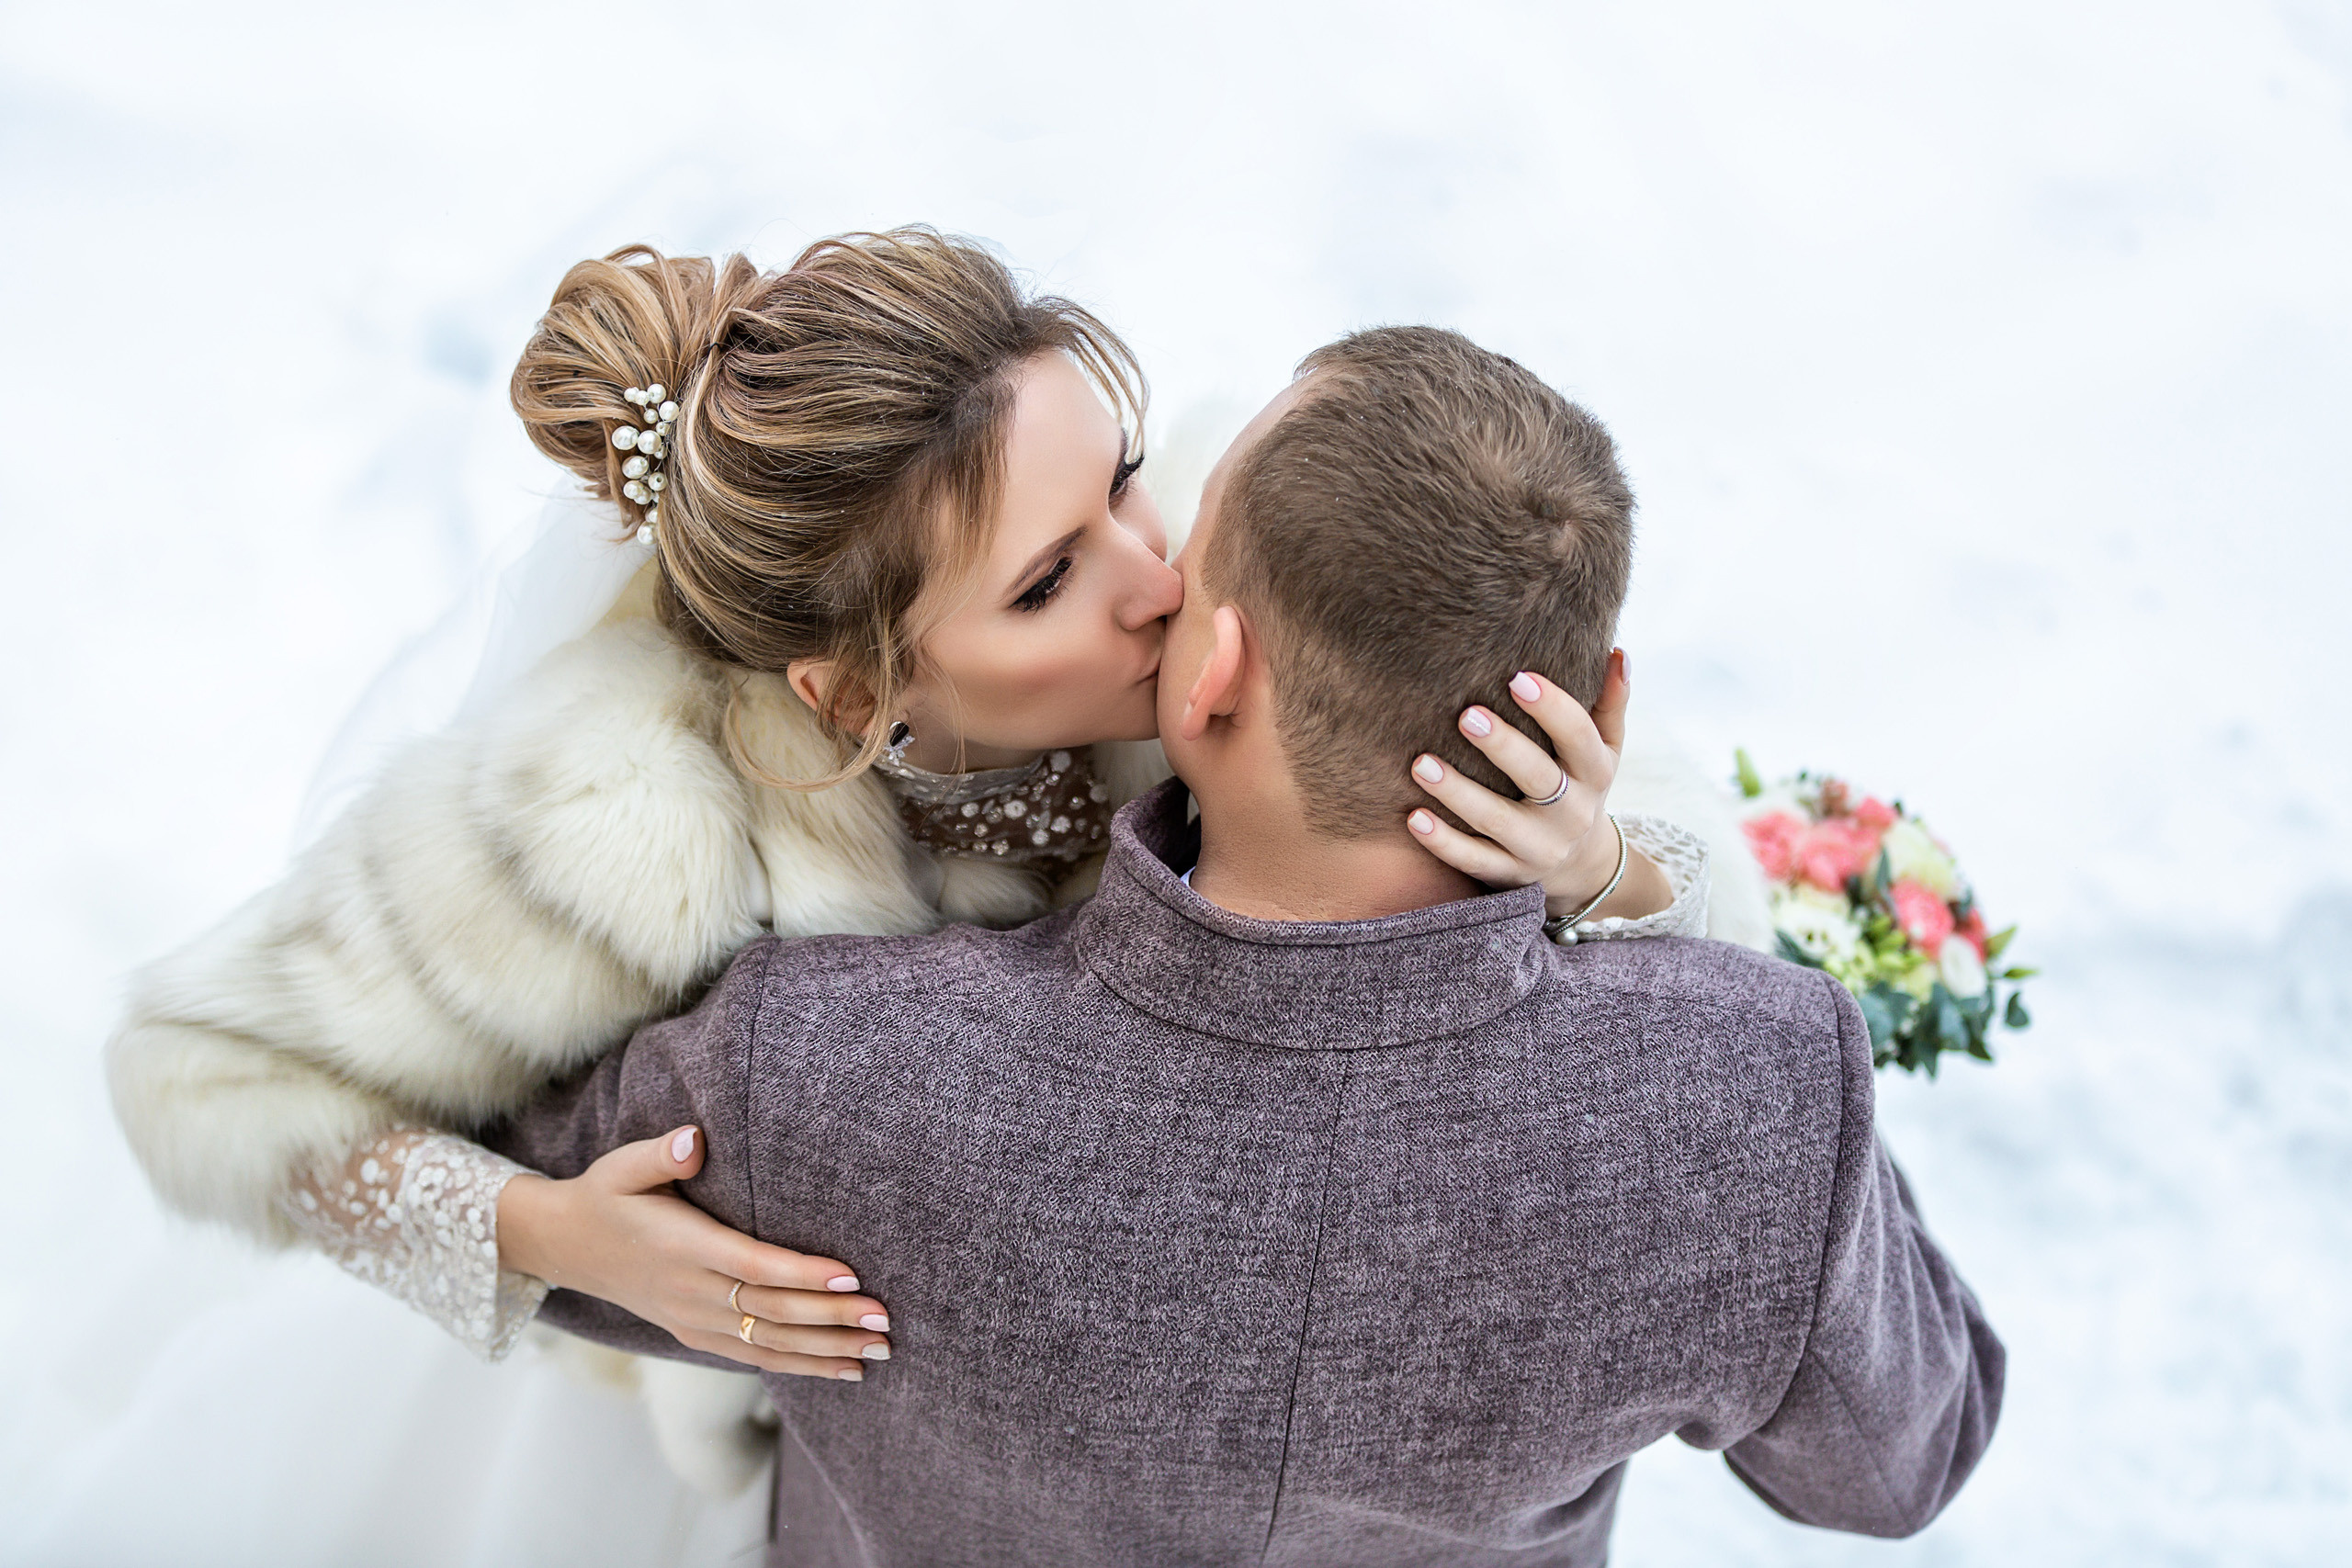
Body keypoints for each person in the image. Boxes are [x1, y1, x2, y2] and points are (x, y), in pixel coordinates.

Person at [105, 231, 1749, 1493]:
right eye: (1048, 585)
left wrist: (1605, 869)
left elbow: (1710, 916)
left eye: (1116, 484)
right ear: (851, 689)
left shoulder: (1219, 543)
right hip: (816, 1441)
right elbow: (194, 1076)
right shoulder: (612, 810)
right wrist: (550, 1238)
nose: (1162, 588)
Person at [490, 325, 2003, 1568]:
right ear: (1602, 710)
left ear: (1204, 679)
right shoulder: (1758, 1103)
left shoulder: (811, 1065)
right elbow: (1903, 1464)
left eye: (1178, 534)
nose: (1144, 582)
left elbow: (508, 1180)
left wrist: (539, 1241)